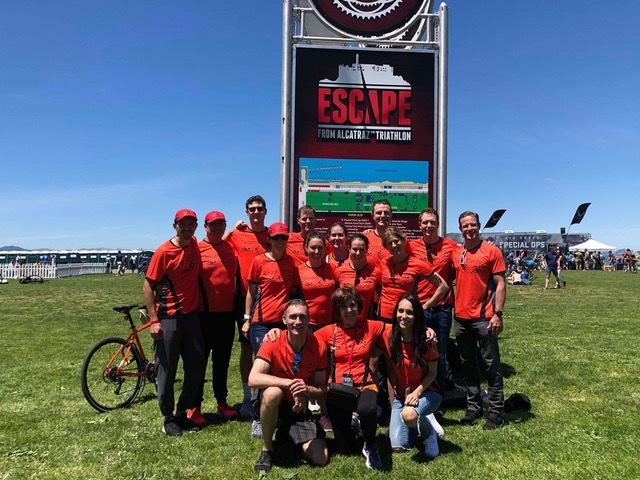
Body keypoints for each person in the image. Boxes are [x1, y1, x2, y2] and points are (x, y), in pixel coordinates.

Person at [143, 209, 206, 436]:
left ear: (196, 226)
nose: (187, 228)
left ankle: (181, 413)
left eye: (191, 224)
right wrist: (154, 320)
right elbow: (148, 285)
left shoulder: (194, 244)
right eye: (183, 224)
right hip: (169, 318)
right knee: (167, 370)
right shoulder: (164, 252)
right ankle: (168, 417)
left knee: (196, 367)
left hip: (191, 317)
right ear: (175, 226)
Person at [249, 299, 329, 473]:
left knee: (320, 457)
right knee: (273, 393)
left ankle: (287, 435)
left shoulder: (319, 346)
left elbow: (321, 389)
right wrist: (290, 384)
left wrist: (306, 389)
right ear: (284, 320)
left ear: (309, 320)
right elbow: (253, 379)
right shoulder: (273, 340)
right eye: (293, 317)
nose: (298, 322)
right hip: (275, 403)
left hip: (299, 407)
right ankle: (267, 449)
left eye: (302, 317)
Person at [315, 287, 386, 470]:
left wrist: (426, 330)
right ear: (338, 310)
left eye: (352, 305)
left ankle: (370, 443)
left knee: (367, 410)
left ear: (359, 306)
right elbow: (302, 340)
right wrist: (276, 332)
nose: (349, 310)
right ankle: (353, 426)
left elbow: (400, 328)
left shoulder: (371, 326)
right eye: (344, 306)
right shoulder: (328, 332)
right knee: (345, 448)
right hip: (339, 390)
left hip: (365, 385)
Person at [451, 211, 506, 430]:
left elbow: (500, 284)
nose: (469, 229)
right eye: (465, 226)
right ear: (460, 229)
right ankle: (474, 407)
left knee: (491, 365)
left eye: (472, 225)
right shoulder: (456, 252)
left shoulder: (491, 251)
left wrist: (498, 314)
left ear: (479, 226)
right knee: (468, 365)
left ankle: (496, 411)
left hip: (484, 318)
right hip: (461, 319)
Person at [245, 221, 296, 438]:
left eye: (283, 238)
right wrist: (247, 319)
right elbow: (250, 292)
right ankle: (257, 417)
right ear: (270, 240)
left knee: (282, 367)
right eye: (276, 238)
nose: (280, 241)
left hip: (283, 324)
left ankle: (278, 414)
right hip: (261, 323)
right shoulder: (259, 261)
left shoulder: (291, 262)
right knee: (263, 369)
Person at [188, 211, 239, 427]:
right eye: (213, 224)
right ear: (205, 227)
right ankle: (194, 406)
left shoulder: (230, 247)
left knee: (222, 363)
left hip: (227, 315)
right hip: (203, 316)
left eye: (221, 224)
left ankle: (222, 402)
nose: (217, 228)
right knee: (198, 363)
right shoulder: (196, 248)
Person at [224, 195, 270, 418]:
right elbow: (218, 244)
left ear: (265, 211)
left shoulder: (273, 234)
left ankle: (268, 396)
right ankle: (246, 397)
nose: (256, 212)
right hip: (244, 299)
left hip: (270, 299)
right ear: (246, 213)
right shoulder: (238, 234)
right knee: (246, 349)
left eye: (260, 208)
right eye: (252, 209)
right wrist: (231, 230)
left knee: (270, 349)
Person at [384, 295, 441, 457]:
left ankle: (429, 432)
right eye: (400, 311)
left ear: (417, 316)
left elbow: (433, 373)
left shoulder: (427, 340)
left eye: (409, 312)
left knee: (409, 415)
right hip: (401, 397)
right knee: (399, 446)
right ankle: (418, 417)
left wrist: (417, 393)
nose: (404, 316)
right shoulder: (388, 335)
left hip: (427, 393)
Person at [408, 208, 457, 395]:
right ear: (419, 225)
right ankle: (420, 392)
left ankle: (439, 395)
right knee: (418, 351)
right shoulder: (411, 246)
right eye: (425, 222)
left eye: (433, 222)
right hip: (418, 307)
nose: (429, 226)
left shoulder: (450, 246)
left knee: (439, 352)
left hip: (442, 308)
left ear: (438, 224)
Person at [377, 227, 449, 323]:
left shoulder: (417, 264)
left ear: (403, 240)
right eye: (389, 243)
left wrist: (425, 306)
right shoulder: (384, 262)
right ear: (386, 247)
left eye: (396, 241)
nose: (394, 245)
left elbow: (443, 286)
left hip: (404, 316)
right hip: (383, 315)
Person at [292, 230, 337, 331]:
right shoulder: (298, 271)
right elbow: (293, 297)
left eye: (320, 248)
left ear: (325, 248)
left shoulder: (332, 268)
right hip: (306, 324)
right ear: (306, 248)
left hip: (330, 323)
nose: (317, 251)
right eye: (313, 247)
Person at [335, 233, 378, 321]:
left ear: (367, 250)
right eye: (355, 249)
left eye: (361, 249)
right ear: (349, 249)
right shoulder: (339, 271)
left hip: (366, 321)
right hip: (345, 321)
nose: (358, 253)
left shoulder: (375, 272)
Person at [364, 199, 394, 267]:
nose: (383, 215)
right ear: (373, 216)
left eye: (386, 212)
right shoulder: (364, 238)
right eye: (379, 213)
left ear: (391, 215)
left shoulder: (400, 239)